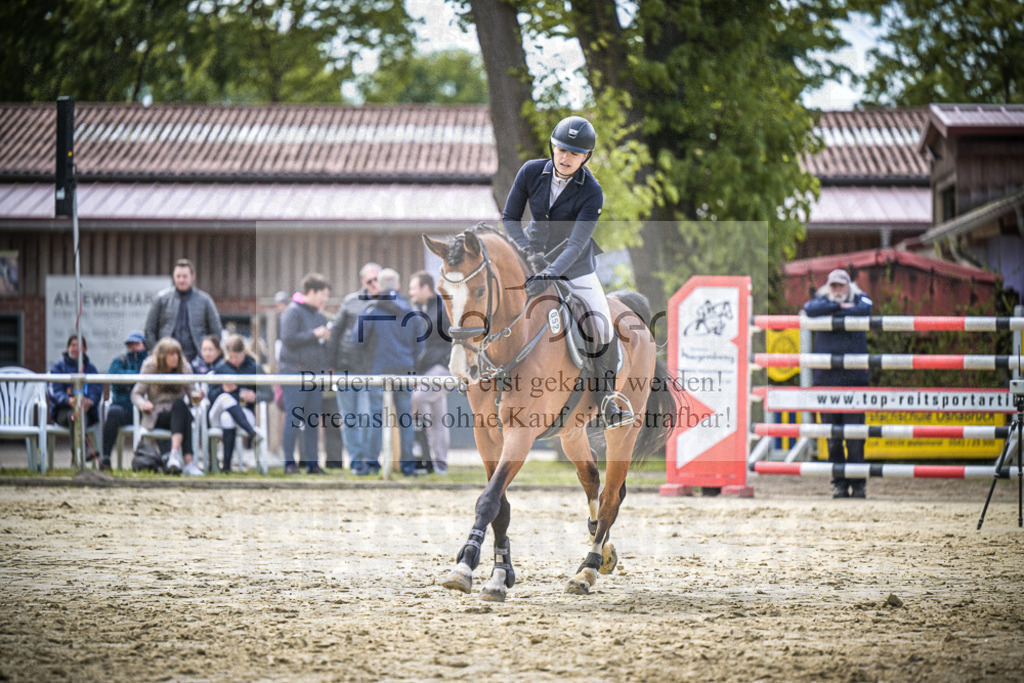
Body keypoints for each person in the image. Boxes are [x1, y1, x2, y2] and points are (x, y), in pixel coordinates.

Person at [502, 114, 634, 429]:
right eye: (561, 149)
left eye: (574, 153)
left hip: (575, 268)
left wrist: (550, 274)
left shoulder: (592, 191)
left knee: (601, 325)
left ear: (585, 157)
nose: (565, 157)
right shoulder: (531, 171)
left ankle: (605, 402)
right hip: (531, 257)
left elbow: (575, 245)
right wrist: (527, 253)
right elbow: (510, 217)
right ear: (553, 147)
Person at [803, 268, 874, 499]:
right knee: (833, 439)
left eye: (841, 285)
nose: (837, 290)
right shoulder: (823, 300)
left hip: (854, 382)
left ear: (849, 285)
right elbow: (810, 309)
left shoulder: (859, 297)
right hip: (826, 382)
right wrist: (840, 308)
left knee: (855, 437)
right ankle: (839, 484)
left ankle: (859, 484)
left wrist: (834, 312)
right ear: (828, 287)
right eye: (833, 286)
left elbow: (866, 308)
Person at [353, 268, 424, 476]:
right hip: (404, 371)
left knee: (376, 417)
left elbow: (356, 340)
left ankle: (372, 464)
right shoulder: (411, 311)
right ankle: (408, 467)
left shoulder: (371, 309)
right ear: (399, 286)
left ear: (379, 285)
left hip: (378, 371)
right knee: (405, 420)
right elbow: (420, 346)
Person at [329, 262, 380, 473]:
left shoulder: (388, 302)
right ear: (363, 282)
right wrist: (331, 364)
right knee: (350, 418)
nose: (374, 285)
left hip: (372, 370)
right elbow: (336, 333)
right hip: (346, 367)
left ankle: (370, 459)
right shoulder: (350, 302)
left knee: (369, 417)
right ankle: (356, 461)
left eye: (377, 279)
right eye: (370, 281)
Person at [279, 272, 332, 474]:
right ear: (312, 291)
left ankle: (312, 463)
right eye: (323, 294)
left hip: (315, 375)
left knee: (312, 421)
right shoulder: (292, 312)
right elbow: (288, 338)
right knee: (293, 419)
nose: (325, 299)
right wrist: (314, 334)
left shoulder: (318, 315)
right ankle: (289, 463)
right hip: (294, 373)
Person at [131, 337, 199, 474]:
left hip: (177, 413)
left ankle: (174, 455)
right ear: (162, 356)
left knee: (180, 406)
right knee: (184, 414)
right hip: (156, 414)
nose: (175, 358)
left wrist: (197, 396)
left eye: (177, 354)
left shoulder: (184, 367)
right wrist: (144, 403)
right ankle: (188, 463)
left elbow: (192, 394)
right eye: (171, 354)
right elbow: (136, 394)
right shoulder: (150, 366)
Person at [407, 270, 452, 474]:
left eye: (413, 287)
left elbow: (453, 340)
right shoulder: (417, 309)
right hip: (425, 370)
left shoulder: (443, 309)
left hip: (441, 368)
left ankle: (421, 442)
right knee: (438, 415)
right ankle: (439, 461)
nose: (410, 292)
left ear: (426, 287)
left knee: (418, 398)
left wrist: (444, 363)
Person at [207, 335, 270, 473]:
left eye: (237, 357)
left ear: (244, 352)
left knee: (227, 418)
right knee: (225, 398)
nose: (234, 361)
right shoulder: (221, 368)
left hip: (244, 412)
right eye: (231, 357)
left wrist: (255, 397)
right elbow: (210, 396)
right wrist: (222, 389)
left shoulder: (254, 368)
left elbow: (269, 394)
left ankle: (227, 467)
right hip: (216, 414)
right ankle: (252, 433)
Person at [144, 258, 222, 368]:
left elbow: (216, 331)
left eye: (185, 276)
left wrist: (207, 354)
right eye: (178, 276)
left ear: (192, 276)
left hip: (197, 362)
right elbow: (149, 330)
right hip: (166, 361)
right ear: (174, 277)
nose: (181, 280)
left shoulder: (205, 300)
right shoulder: (161, 299)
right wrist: (158, 353)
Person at [47, 335, 103, 463]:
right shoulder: (58, 368)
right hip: (63, 412)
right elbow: (53, 391)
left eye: (79, 345)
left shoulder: (91, 369)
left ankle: (77, 457)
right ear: (67, 348)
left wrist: (90, 401)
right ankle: (82, 453)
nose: (75, 348)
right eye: (72, 345)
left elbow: (97, 390)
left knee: (79, 415)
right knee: (75, 415)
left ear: (85, 349)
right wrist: (67, 400)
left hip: (86, 412)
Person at [101, 331, 148, 471]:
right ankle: (105, 458)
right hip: (122, 408)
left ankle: (163, 459)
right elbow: (114, 380)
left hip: (144, 409)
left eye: (137, 344)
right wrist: (138, 378)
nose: (133, 347)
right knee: (113, 412)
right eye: (130, 344)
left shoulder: (151, 361)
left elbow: (151, 381)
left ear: (144, 345)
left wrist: (128, 382)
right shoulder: (120, 360)